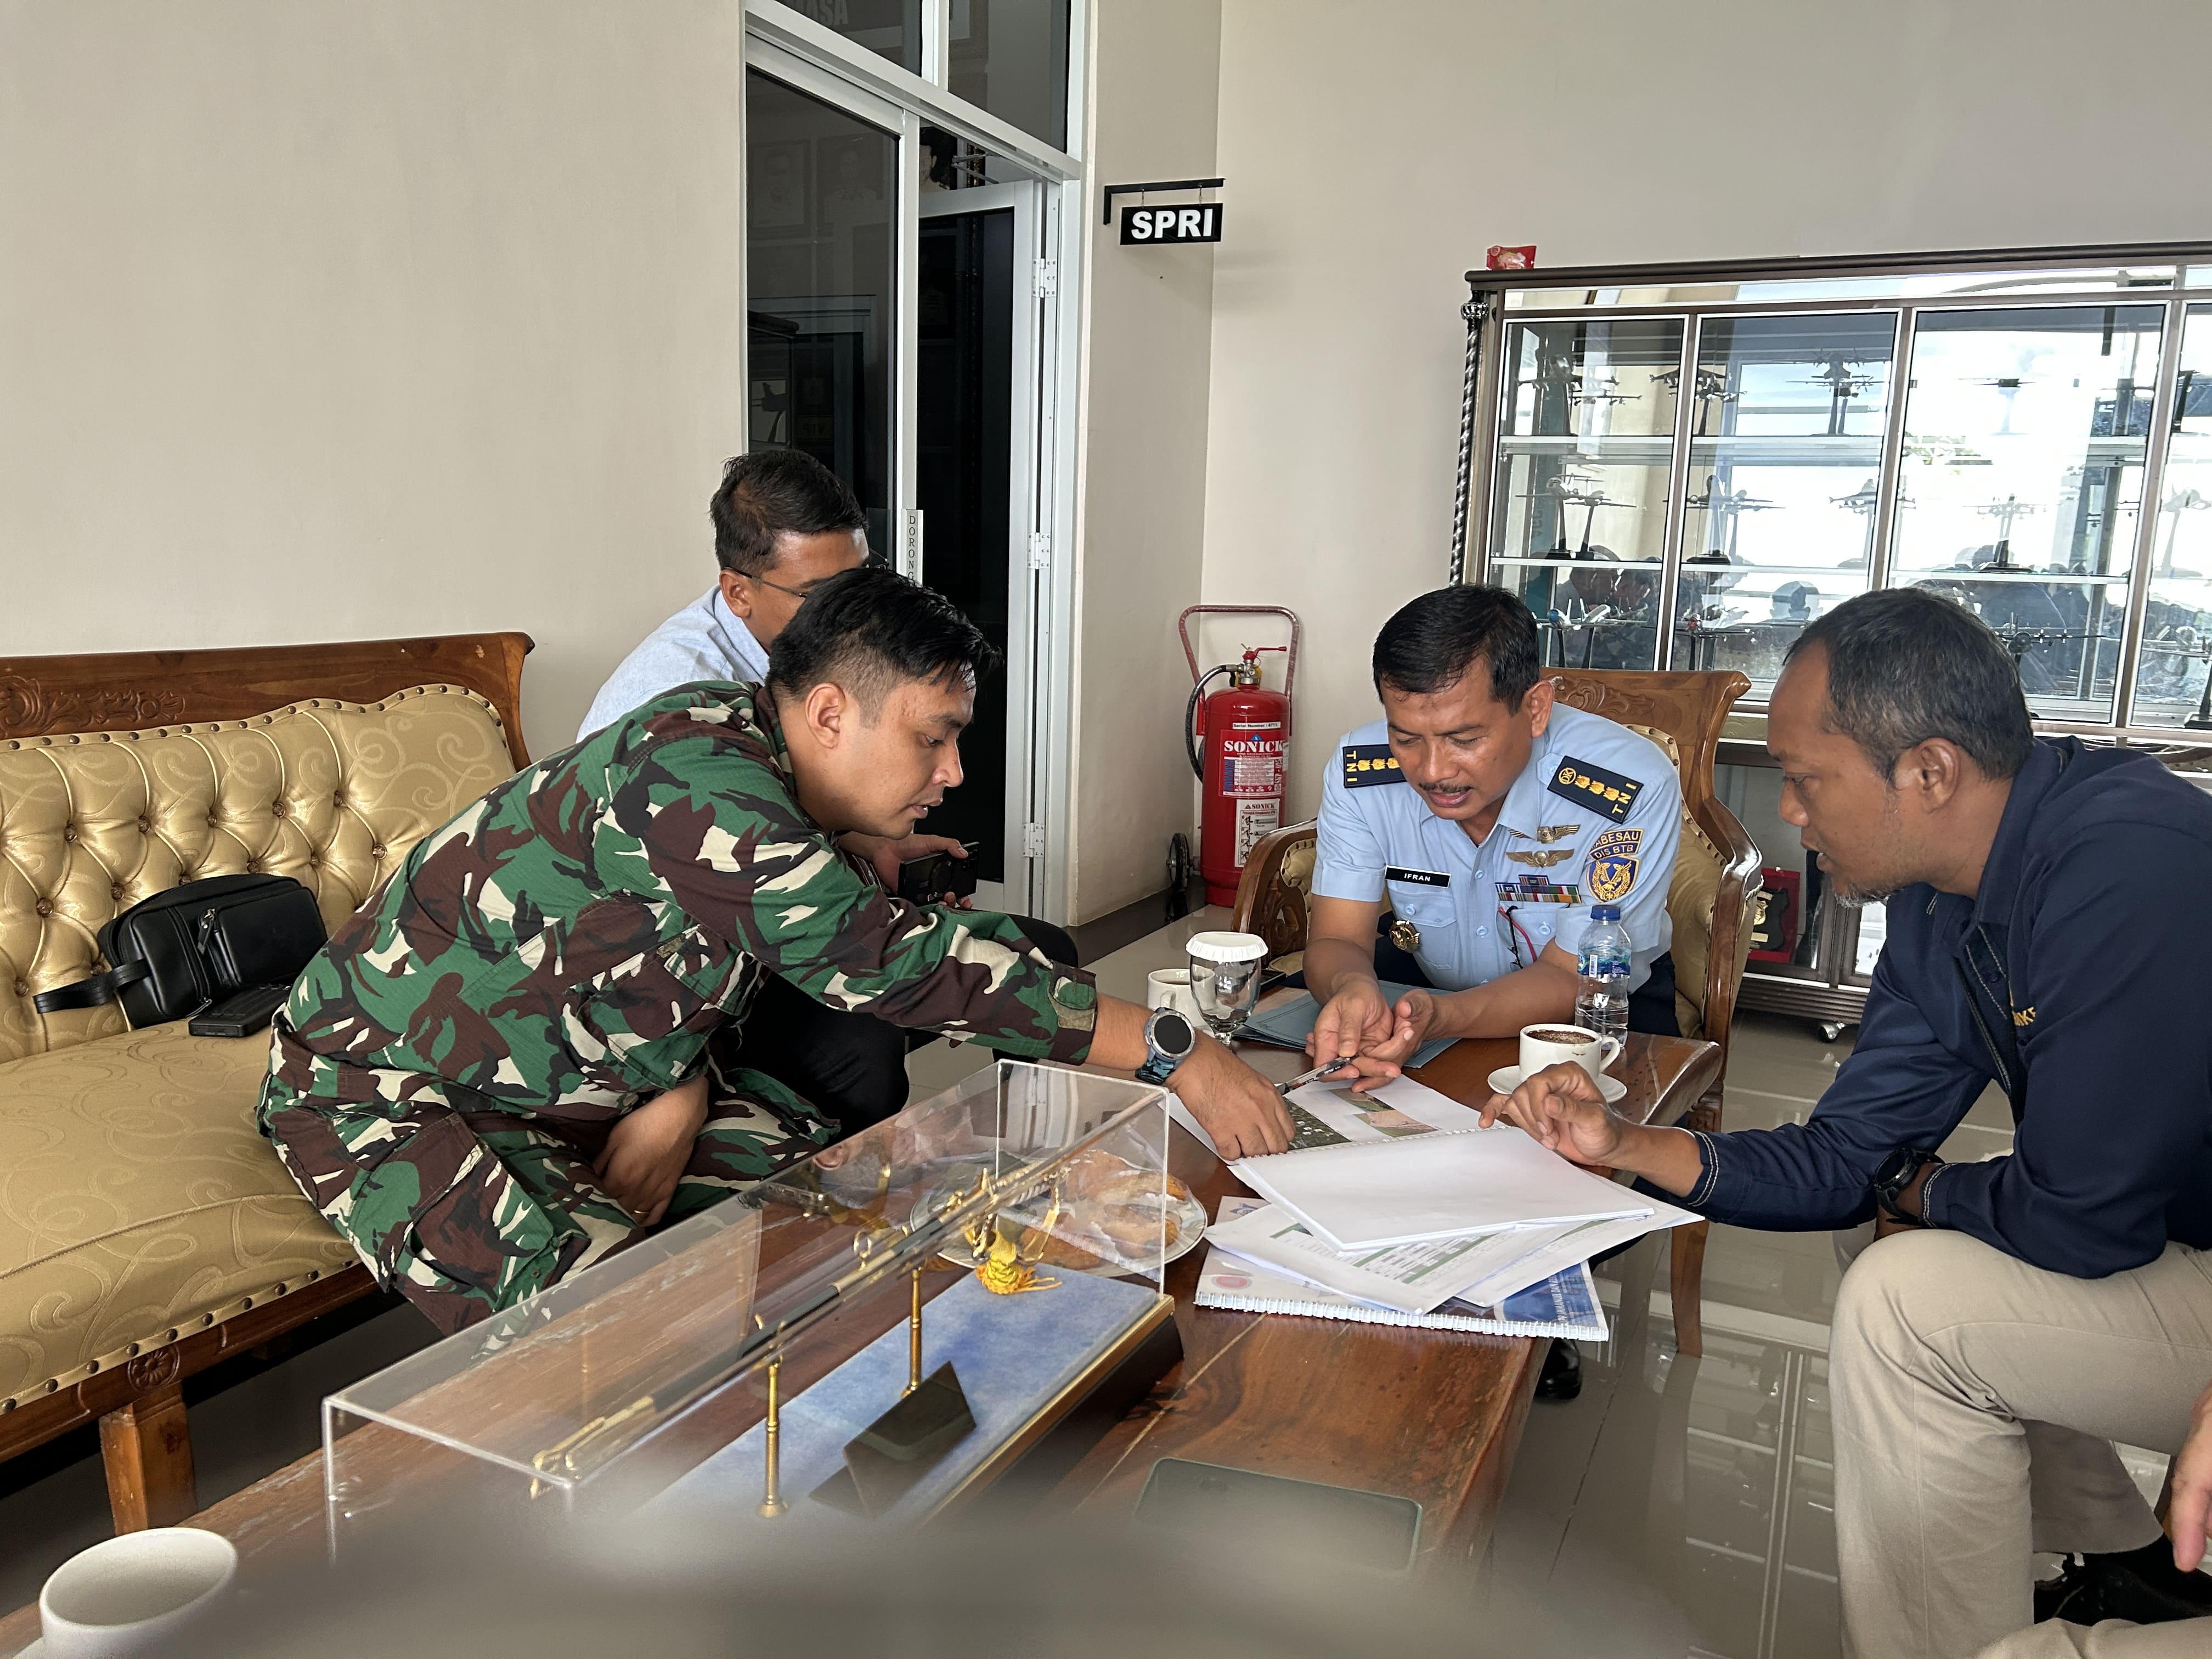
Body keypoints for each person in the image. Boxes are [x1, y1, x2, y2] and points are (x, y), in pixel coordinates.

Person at [259, 568, 1293, 1334]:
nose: (952, 771)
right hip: (396, 1090)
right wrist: (1177, 1052)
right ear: (830, 712)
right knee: (615, 1342)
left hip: (590, 1076)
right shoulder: (697, 771)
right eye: (932, 737)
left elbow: (690, 951)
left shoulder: (751, 748)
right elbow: (889, 962)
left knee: (846, 1220)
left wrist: (677, 1086)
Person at [1482, 588, 2212, 1658]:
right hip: (2166, 1234)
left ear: (1929, 772)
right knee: (1879, 1230)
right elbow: (1846, 1159)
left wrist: (1926, 1188)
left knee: (1902, 1297)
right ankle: (2123, 1559)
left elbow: (2078, 1220)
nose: (1789, 812)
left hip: (2171, 1247)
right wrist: (1624, 1143)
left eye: (1805, 777)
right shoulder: (1939, 891)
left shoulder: (2126, 865)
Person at [579, 449, 1072, 1132]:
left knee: (1039, 950)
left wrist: (866, 848)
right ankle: (831, 1179)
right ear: (739, 592)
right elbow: (668, 914)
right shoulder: (675, 706)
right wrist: (681, 1088)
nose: (849, 613)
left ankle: (1029, 1151)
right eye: (819, 595)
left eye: (860, 581)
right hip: (691, 969)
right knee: (866, 1044)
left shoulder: (818, 659)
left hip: (780, 918)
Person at [1304, 584, 1684, 1085]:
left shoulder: (1624, 786)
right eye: (1406, 738)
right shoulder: (1361, 773)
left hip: (1591, 1014)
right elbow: (1336, 937)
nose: (1433, 772)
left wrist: (1441, 1018)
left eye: (1464, 739)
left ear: (1536, 709)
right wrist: (1351, 986)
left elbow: (1570, 976)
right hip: (1427, 994)